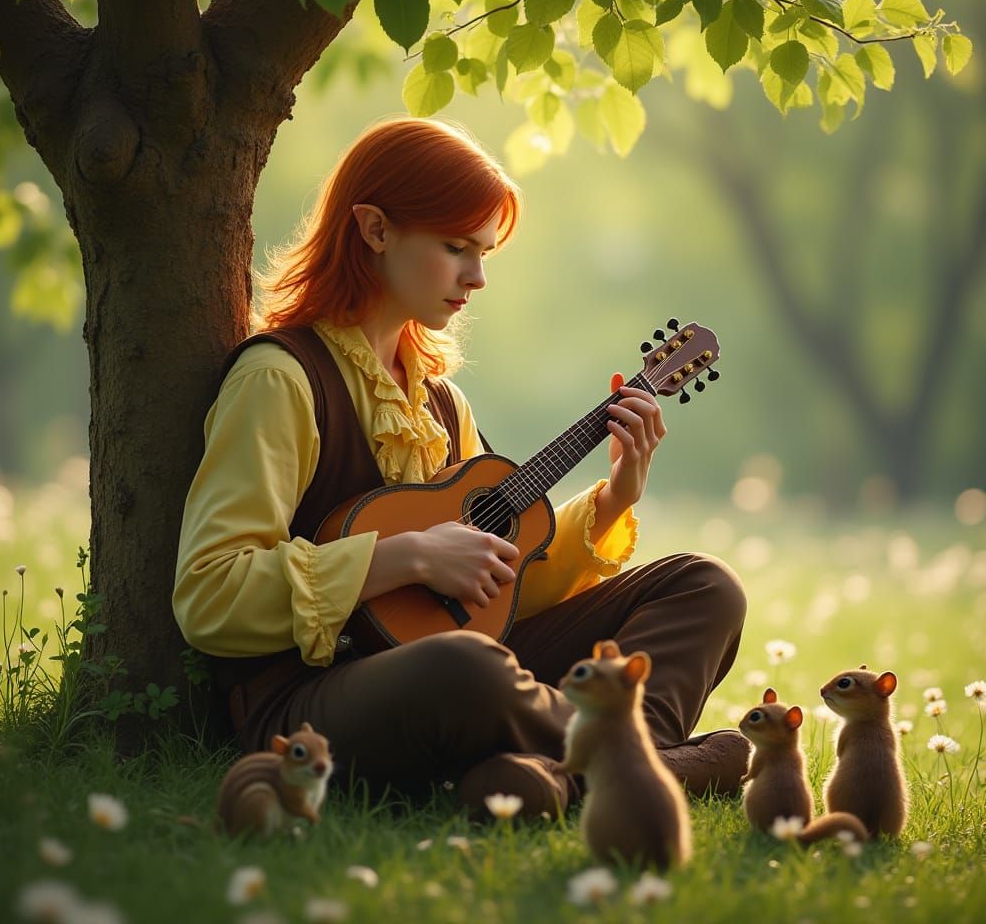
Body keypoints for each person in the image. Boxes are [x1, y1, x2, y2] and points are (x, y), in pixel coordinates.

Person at [172, 116, 749, 821]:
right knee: (465, 668)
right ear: (375, 230)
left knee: (704, 584)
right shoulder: (280, 381)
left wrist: (613, 498)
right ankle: (664, 767)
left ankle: (552, 780)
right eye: (455, 249)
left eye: (483, 253)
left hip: (460, 666)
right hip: (314, 699)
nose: (476, 278)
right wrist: (405, 556)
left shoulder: (441, 403)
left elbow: (494, 591)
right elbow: (208, 596)